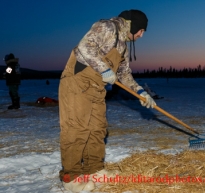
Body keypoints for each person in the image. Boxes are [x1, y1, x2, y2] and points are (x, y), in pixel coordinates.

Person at [58, 9, 156, 192]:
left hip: (97, 88)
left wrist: (142, 92)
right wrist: (104, 69)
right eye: (141, 30)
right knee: (76, 128)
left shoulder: (123, 46)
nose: (141, 35)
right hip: (77, 81)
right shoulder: (107, 27)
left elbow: (124, 75)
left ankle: (94, 169)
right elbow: (84, 47)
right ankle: (70, 176)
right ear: (132, 25)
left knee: (97, 128)